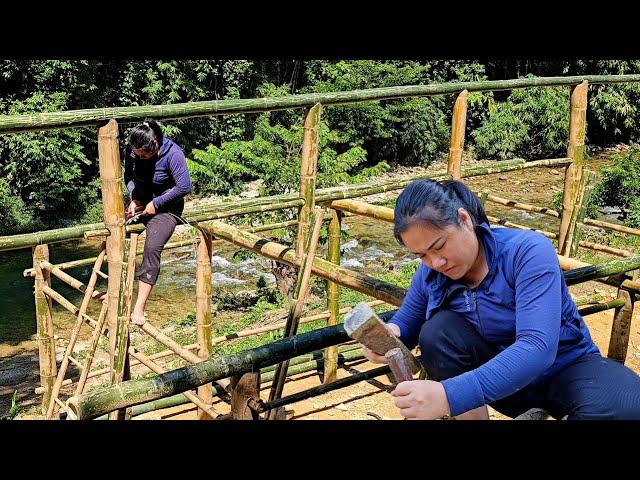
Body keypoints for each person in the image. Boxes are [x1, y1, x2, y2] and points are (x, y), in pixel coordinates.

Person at [362, 179, 640, 420]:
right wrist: (389, 336)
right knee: (438, 331)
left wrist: (449, 395)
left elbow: (537, 347)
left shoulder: (527, 252)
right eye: (421, 255)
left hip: (566, 370)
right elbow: (406, 323)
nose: (435, 262)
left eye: (439, 246)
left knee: (628, 405)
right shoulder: (431, 274)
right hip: (500, 386)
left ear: (464, 220)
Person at [123, 118, 191, 326]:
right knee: (117, 236)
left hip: (167, 208)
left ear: (154, 145)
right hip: (142, 204)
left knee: (151, 247)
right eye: (137, 154)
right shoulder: (133, 151)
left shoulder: (173, 154)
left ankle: (139, 308)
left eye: (144, 155)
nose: (140, 158)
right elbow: (129, 177)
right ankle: (118, 293)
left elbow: (184, 187)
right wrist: (134, 198)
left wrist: (158, 203)